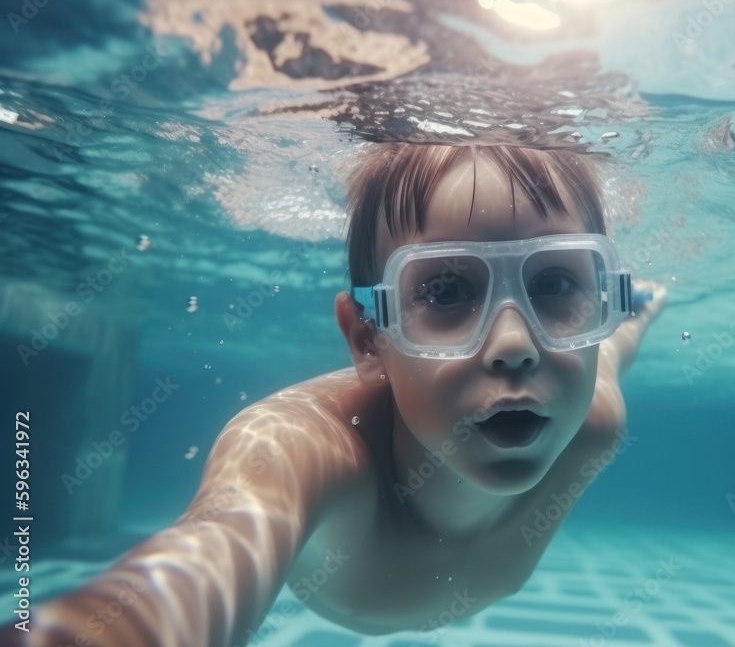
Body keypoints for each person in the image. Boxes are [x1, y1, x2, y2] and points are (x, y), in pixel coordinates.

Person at [4, 143, 666, 646]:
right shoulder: (306, 454)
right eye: (443, 290)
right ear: (368, 338)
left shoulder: (595, 420)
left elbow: (613, 347)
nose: (515, 344)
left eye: (557, 284)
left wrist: (640, 312)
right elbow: (203, 554)